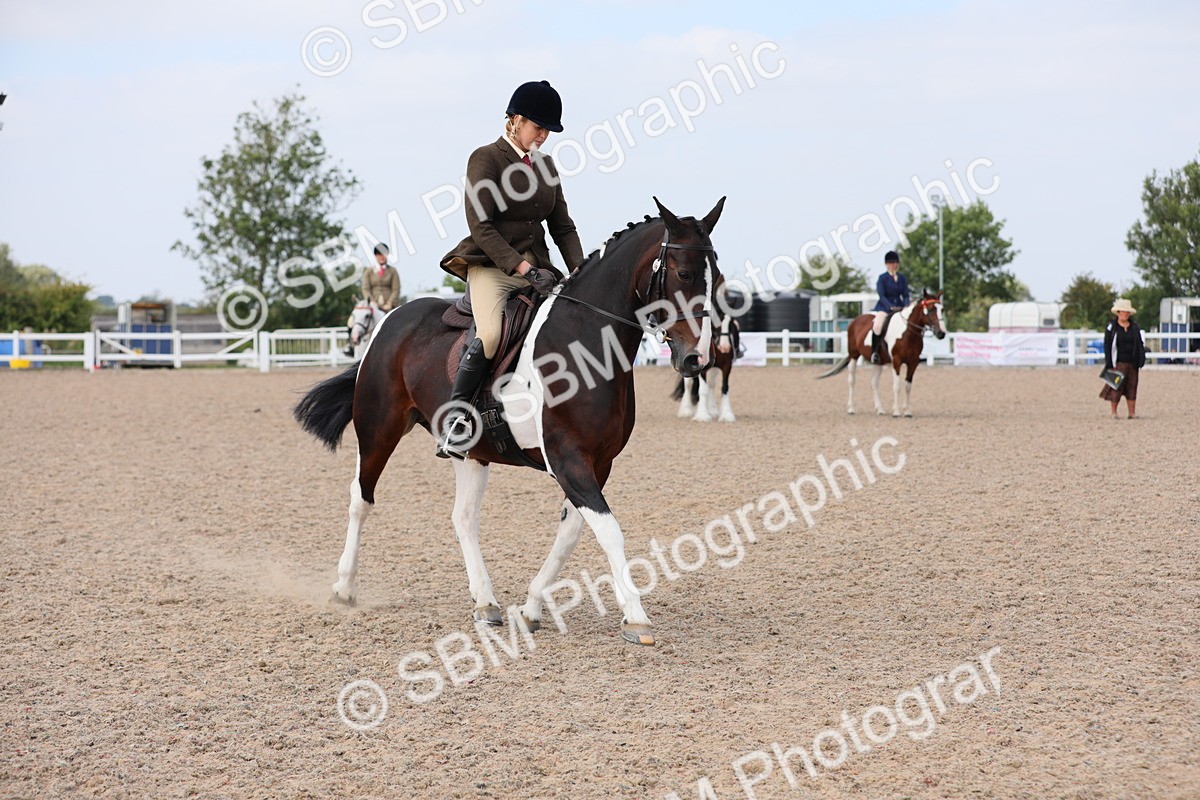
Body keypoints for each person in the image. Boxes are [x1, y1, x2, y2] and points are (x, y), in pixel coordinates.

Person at [435, 79, 586, 459]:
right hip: (492, 267)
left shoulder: (546, 166)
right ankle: (456, 421)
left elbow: (563, 227)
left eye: (549, 130)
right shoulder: (485, 158)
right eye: (539, 127)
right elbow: (480, 225)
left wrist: (581, 270)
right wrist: (519, 266)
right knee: (488, 334)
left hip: (540, 269)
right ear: (515, 120)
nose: (544, 136)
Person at [343, 243, 399, 356]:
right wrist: (372, 301)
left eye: (384, 254)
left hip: (389, 305)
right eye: (379, 254)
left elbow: (396, 289)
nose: (382, 257)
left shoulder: (393, 271)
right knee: (352, 320)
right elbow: (365, 288)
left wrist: (390, 303)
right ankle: (351, 345)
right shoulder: (369, 271)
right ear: (375, 256)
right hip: (373, 303)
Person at [1100, 298, 1146, 419]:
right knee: (1116, 387)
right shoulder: (1112, 327)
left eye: (1127, 312)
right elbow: (1107, 345)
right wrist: (1109, 363)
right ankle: (1114, 412)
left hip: (1132, 362)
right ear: (1118, 312)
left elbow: (1140, 343)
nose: (1125, 314)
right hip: (1118, 362)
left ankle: (1132, 413)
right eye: (1123, 311)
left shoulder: (1134, 327)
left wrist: (1141, 358)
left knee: (1132, 386)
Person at [870, 250, 909, 364]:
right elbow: (881, 295)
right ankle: (875, 352)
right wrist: (891, 307)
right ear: (886, 264)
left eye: (895, 263)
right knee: (877, 326)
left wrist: (906, 305)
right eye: (891, 263)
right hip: (885, 308)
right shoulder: (882, 278)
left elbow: (906, 294)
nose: (893, 265)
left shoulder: (902, 278)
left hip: (900, 308)